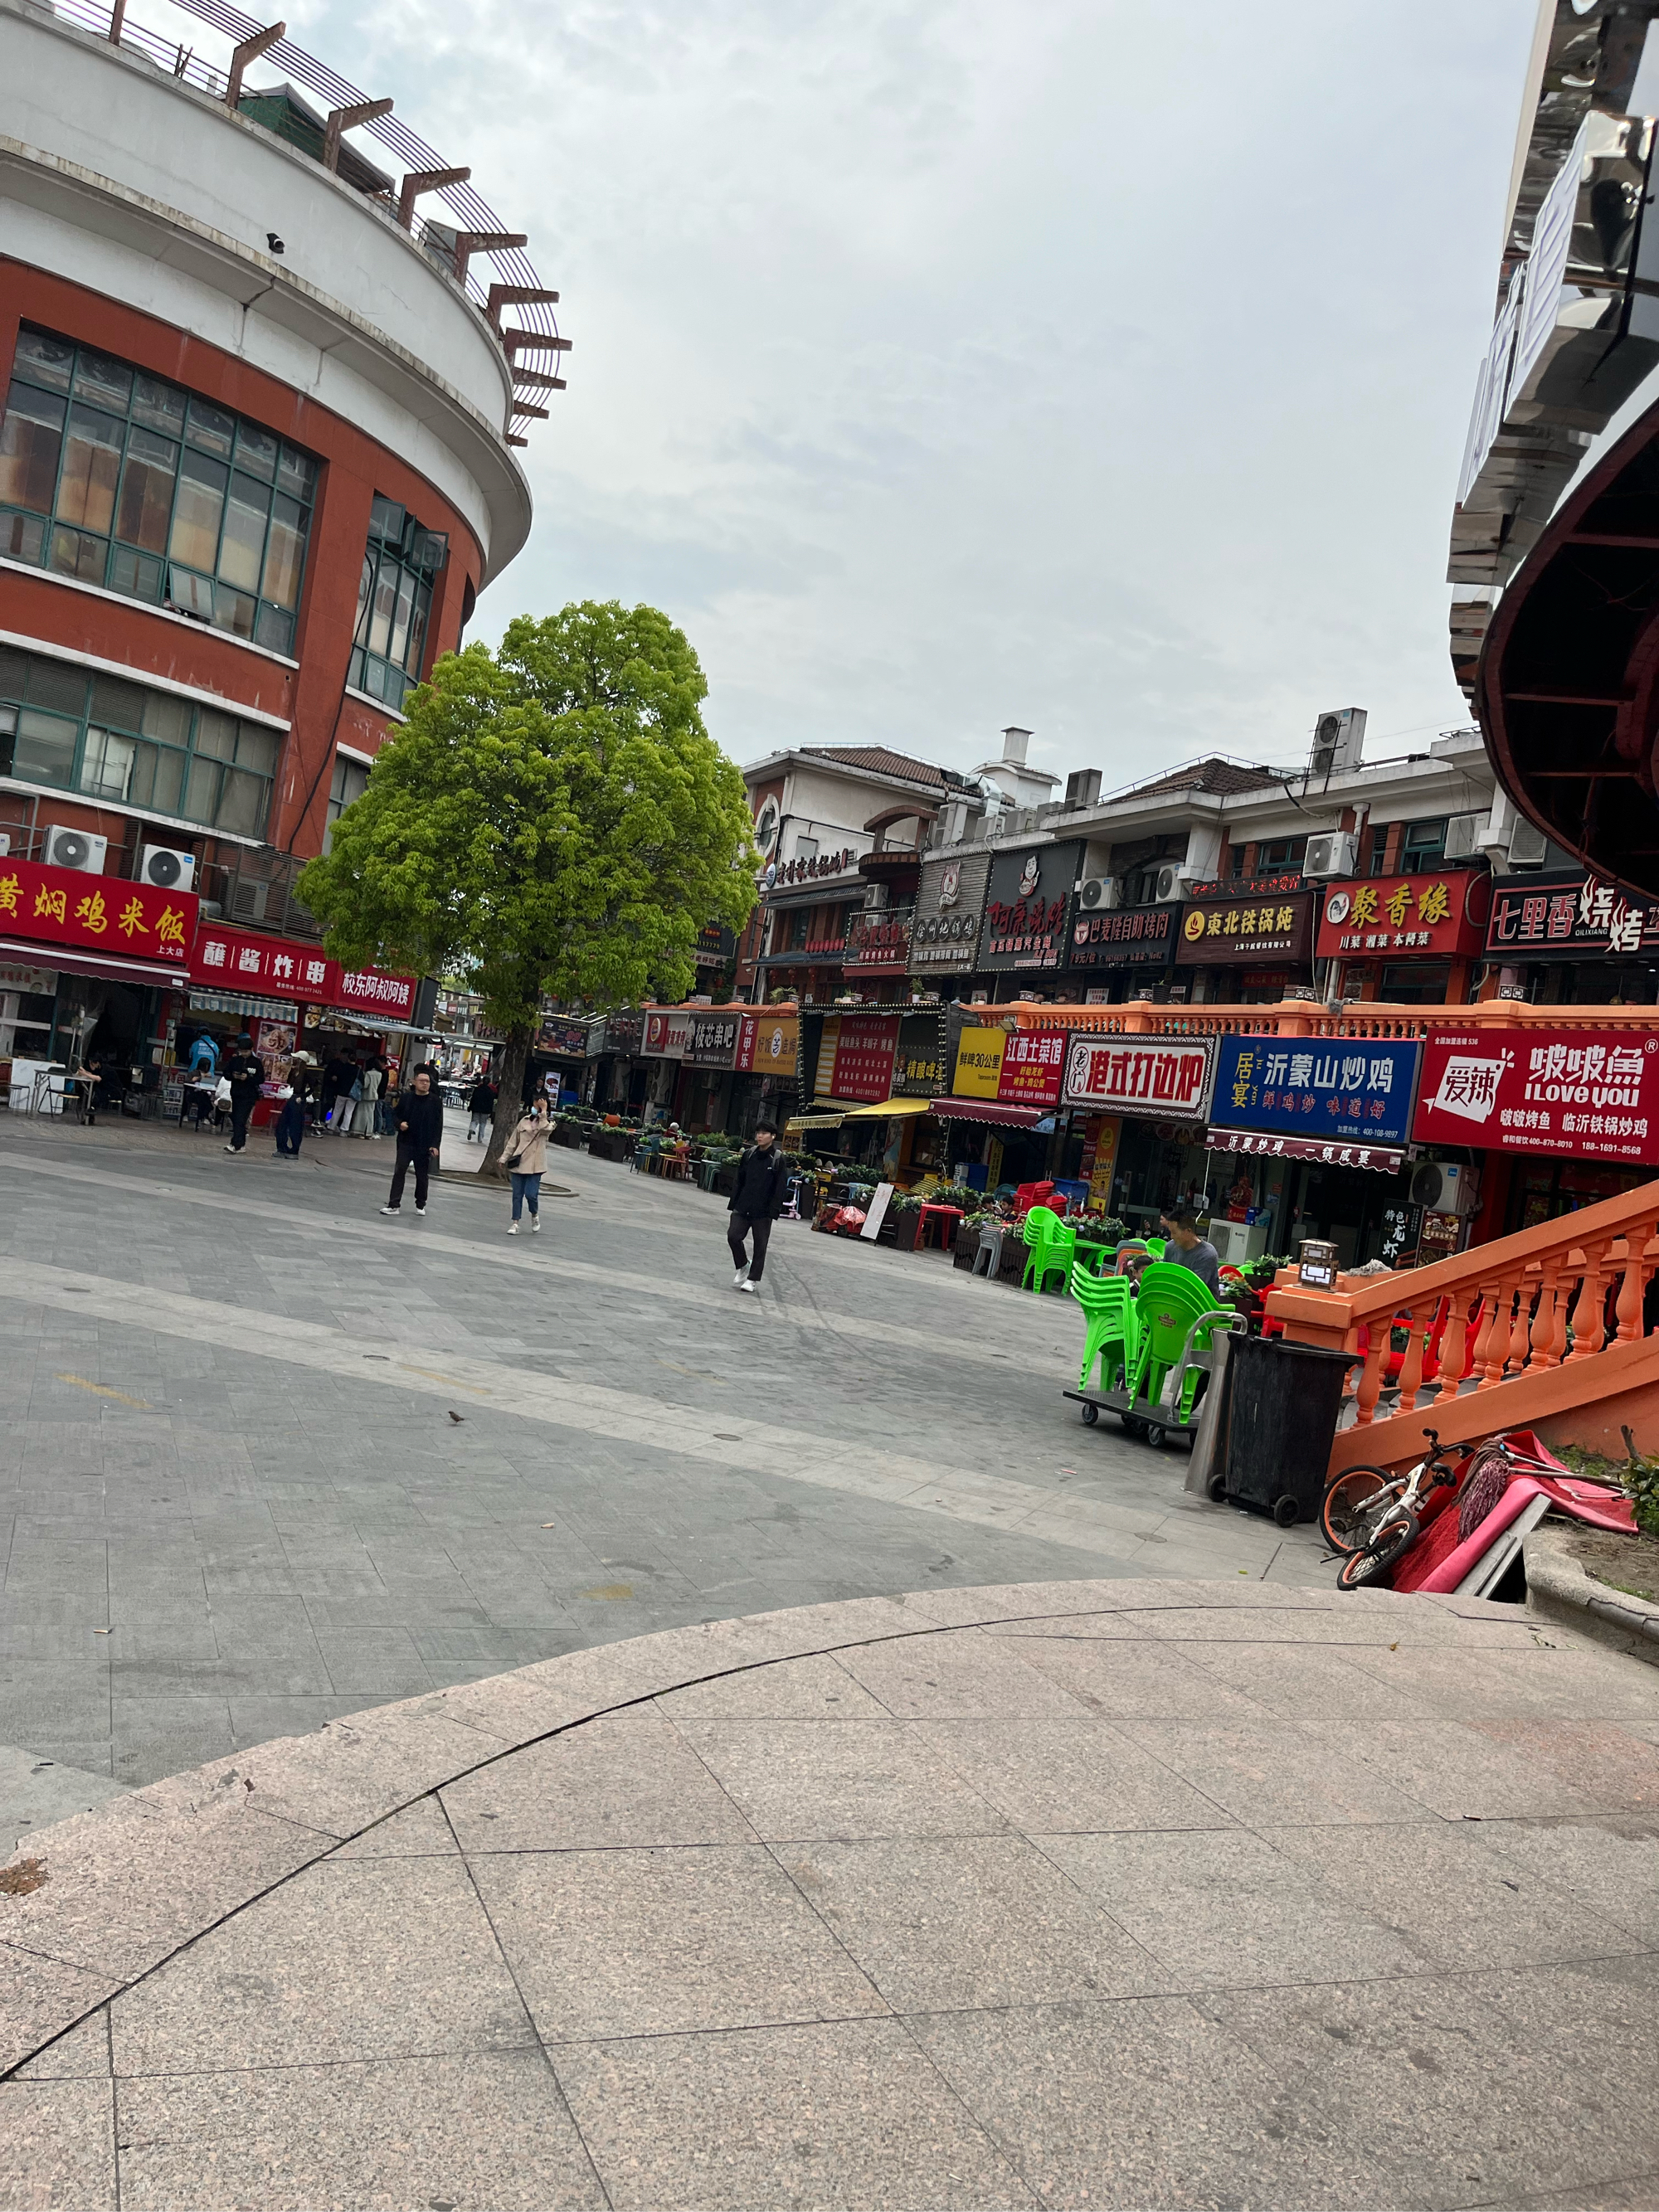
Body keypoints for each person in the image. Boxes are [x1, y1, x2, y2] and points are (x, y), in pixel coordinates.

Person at [727, 1116, 786, 1293]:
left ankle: (752, 1279)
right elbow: (740, 1179)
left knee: (760, 1245)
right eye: (758, 1133)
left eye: (764, 1133)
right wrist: (734, 1203)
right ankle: (743, 1265)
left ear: (773, 1136)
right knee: (733, 1236)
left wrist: (773, 1211)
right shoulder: (749, 1154)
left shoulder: (777, 1158)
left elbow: (780, 1187)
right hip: (743, 1205)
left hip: (763, 1210)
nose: (760, 1136)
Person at [380, 1067, 442, 1217]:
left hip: (424, 1144)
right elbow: (395, 1115)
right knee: (399, 1171)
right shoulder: (407, 1098)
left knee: (422, 1175)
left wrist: (435, 1145)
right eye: (422, 1081)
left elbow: (438, 1124)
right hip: (406, 1142)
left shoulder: (435, 1101)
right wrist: (399, 1124)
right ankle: (394, 1204)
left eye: (427, 1081)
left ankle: (420, 1204)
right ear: (414, 1082)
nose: (425, 1084)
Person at [499, 1094, 550, 1233]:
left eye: (539, 1105)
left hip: (535, 1165)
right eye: (535, 1104)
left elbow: (546, 1129)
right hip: (519, 1162)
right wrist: (504, 1158)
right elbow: (513, 1141)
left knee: (531, 1195)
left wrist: (543, 1112)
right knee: (517, 1194)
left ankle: (534, 1214)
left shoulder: (547, 1122)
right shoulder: (524, 1121)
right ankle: (515, 1223)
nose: (536, 1107)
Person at [1160, 1209, 1222, 1296]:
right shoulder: (1170, 1247)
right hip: (1174, 1297)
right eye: (1170, 1232)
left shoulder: (1207, 1254)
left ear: (1188, 1231)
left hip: (1200, 1303)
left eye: (1174, 1232)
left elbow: (1195, 1289)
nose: (1172, 1237)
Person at [221, 1033, 265, 1155]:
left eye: (245, 1051)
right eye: (241, 1051)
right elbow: (226, 1073)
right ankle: (240, 1144)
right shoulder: (235, 1060)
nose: (243, 1054)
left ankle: (236, 1144)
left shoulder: (256, 1063)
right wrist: (234, 1076)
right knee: (236, 1119)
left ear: (251, 1050)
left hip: (249, 1096)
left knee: (241, 1119)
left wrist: (248, 1078)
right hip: (236, 1093)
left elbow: (261, 1079)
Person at [351, 1057, 383, 1138]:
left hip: (366, 1096)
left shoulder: (368, 1073)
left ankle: (360, 1131)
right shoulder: (379, 1074)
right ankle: (369, 1132)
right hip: (374, 1095)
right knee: (370, 1115)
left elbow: (365, 1085)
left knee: (362, 1114)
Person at [467, 1075, 497, 1145]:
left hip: (476, 1108)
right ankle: (480, 1138)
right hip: (485, 1110)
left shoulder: (477, 1089)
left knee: (474, 1120)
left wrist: (470, 1107)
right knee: (483, 1123)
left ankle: (472, 1128)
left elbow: (473, 1099)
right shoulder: (490, 1092)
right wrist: (490, 1111)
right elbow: (491, 1102)